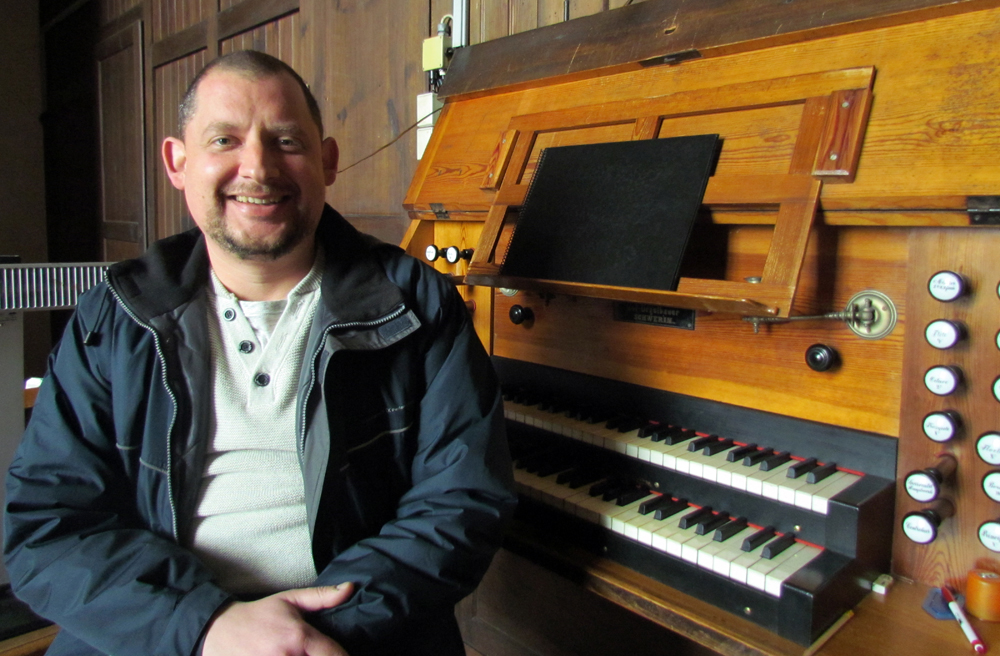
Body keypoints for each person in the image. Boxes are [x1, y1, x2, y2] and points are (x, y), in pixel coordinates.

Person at [3, 50, 516, 656]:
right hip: (156, 631)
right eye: (225, 139)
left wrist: (297, 641)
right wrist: (207, 628)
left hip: (358, 633)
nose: (258, 167)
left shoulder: (416, 303)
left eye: (286, 141)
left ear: (325, 162)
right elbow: (46, 529)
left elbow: (463, 501)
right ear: (179, 162)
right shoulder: (114, 315)